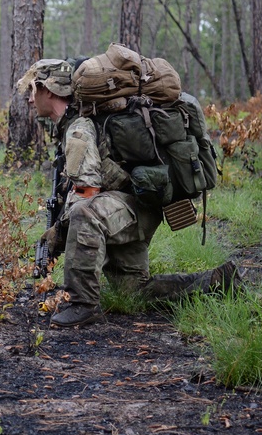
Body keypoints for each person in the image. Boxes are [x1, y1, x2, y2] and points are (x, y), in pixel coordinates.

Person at [19, 58, 238, 328]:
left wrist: (57, 234)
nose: (29, 99)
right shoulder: (75, 123)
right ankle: (218, 281)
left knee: (84, 215)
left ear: (49, 90)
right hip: (137, 204)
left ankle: (83, 304)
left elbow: (86, 193)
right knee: (133, 291)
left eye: (32, 90)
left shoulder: (79, 128)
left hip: (130, 207)